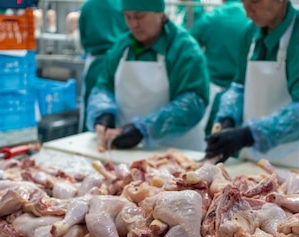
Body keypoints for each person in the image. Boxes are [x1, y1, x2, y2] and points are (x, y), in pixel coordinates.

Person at [204, 0, 299, 173]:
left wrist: (250, 135)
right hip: (254, 161)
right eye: (244, 1)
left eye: (255, 1)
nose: (247, 10)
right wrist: (229, 118)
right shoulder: (250, 33)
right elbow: (239, 87)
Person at [86, 0, 210, 152]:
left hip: (177, 152)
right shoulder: (122, 46)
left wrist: (146, 128)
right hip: (125, 150)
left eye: (139, 16)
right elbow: (104, 87)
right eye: (127, 16)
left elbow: (192, 104)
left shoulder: (184, 50)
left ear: (160, 13)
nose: (133, 25)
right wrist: (103, 113)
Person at [190, 0, 250, 135]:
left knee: (211, 139)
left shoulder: (212, 17)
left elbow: (190, 48)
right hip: (245, 94)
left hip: (213, 91)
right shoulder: (251, 20)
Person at [78, 0, 129, 132]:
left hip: (95, 65)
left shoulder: (88, 6)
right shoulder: (124, 5)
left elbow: (83, 38)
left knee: (93, 117)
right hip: (122, 62)